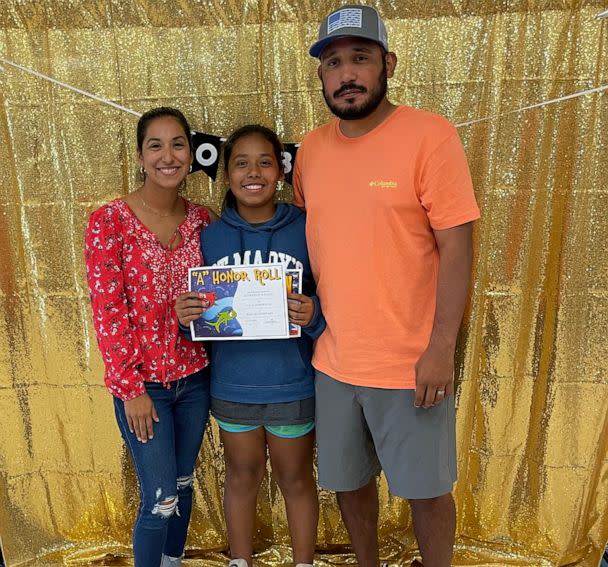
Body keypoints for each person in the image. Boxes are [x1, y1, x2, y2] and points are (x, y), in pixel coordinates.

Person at [292, 5, 481, 567]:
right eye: (333, 63)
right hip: (332, 360)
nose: (346, 74)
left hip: (410, 363)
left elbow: (457, 247)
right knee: (349, 486)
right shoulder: (310, 150)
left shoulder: (430, 136)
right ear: (321, 76)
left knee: (426, 491)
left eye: (360, 59)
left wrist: (440, 349)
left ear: (388, 65)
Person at [175, 125, 325, 567]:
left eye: (265, 161)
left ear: (281, 170)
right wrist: (187, 320)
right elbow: (200, 318)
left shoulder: (307, 227)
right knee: (240, 477)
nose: (253, 172)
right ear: (226, 175)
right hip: (234, 388)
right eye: (241, 163)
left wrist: (313, 314)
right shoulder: (210, 236)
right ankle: (240, 560)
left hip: (292, 385)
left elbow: (333, 297)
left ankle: (303, 562)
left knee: (296, 479)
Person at [84, 107, 217, 567]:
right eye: (155, 145)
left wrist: (193, 316)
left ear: (191, 154)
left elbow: (220, 300)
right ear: (140, 156)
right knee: (159, 496)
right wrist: (130, 390)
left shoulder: (204, 221)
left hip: (196, 381)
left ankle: (172, 561)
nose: (168, 155)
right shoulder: (110, 222)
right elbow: (108, 313)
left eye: (177, 144)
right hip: (145, 389)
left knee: (182, 488)